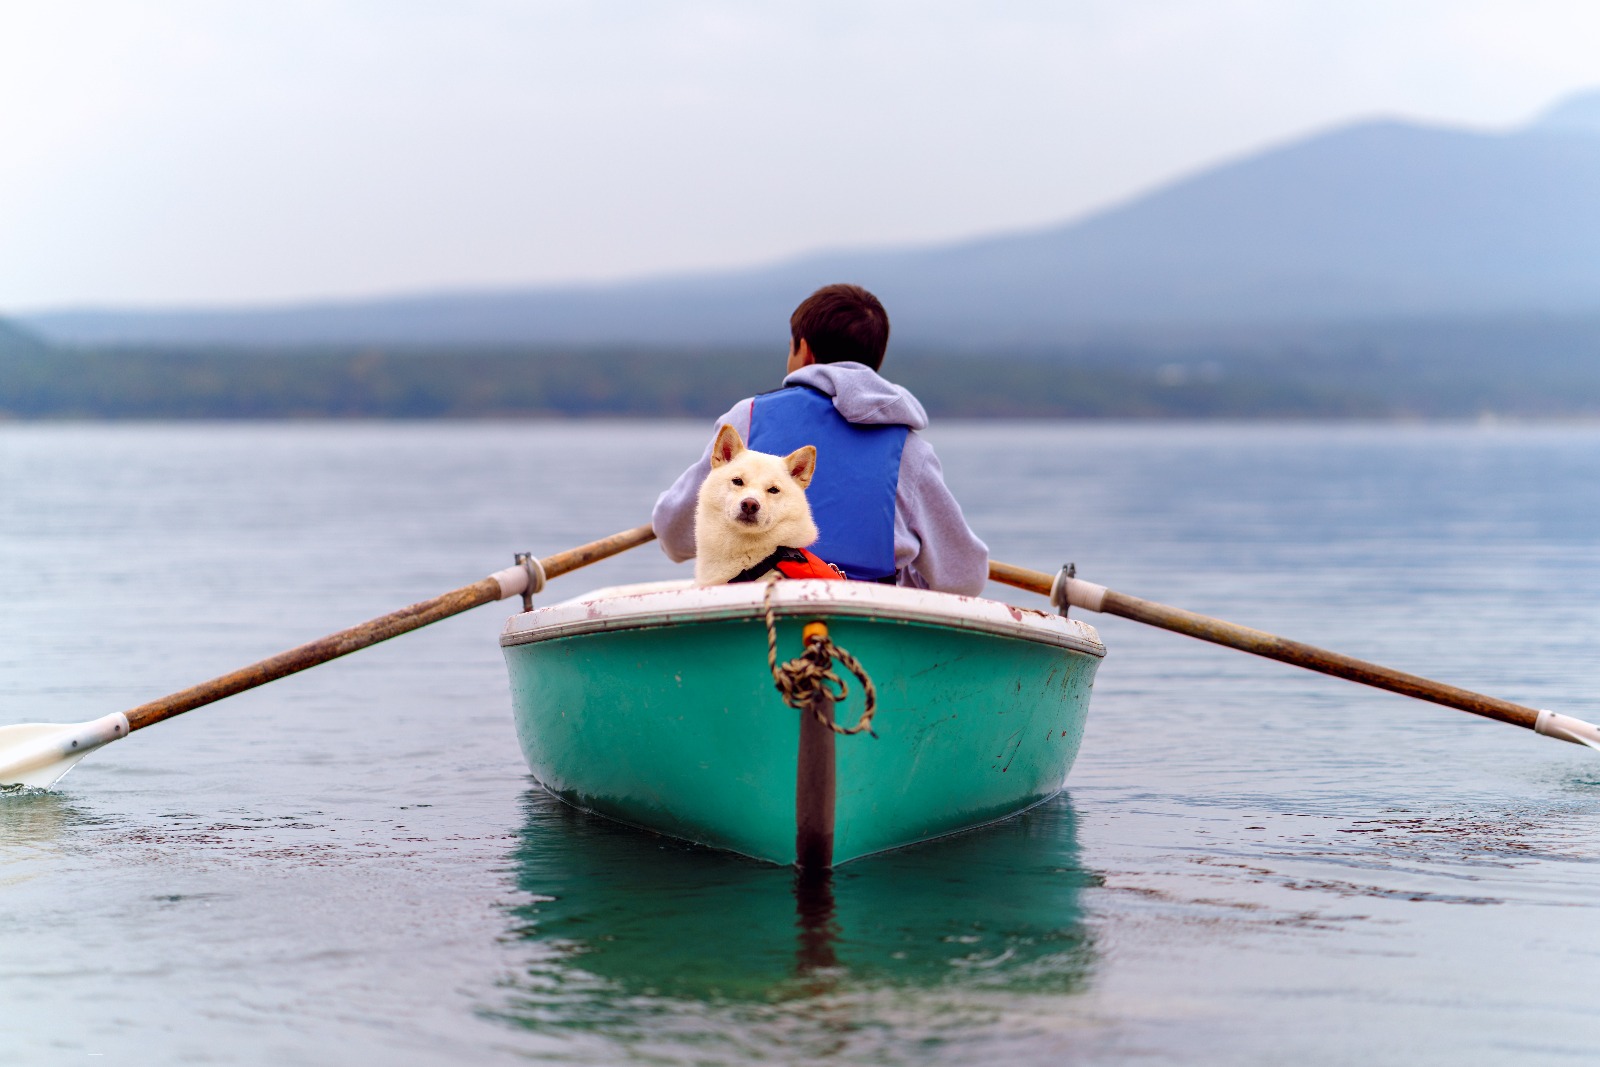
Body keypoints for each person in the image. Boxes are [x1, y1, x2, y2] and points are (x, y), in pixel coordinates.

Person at [652, 283, 989, 595]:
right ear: (876, 361)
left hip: (754, 612)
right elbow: (964, 578)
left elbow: (674, 535)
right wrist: (910, 581)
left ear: (804, 351)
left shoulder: (746, 417)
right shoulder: (911, 451)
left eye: (790, 348)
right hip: (868, 623)